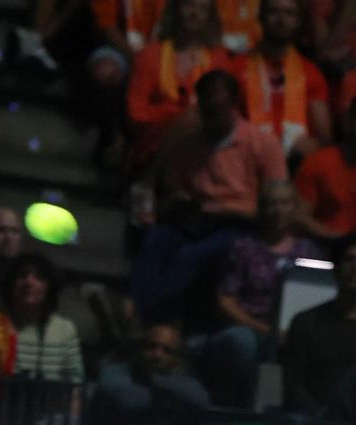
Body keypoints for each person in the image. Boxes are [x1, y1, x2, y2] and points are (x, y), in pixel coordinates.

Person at [130, 69, 287, 318]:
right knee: (156, 239)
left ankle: (151, 314)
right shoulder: (191, 142)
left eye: (219, 110)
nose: (212, 117)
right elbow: (177, 185)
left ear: (233, 105)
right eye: (207, 110)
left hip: (239, 222)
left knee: (190, 255)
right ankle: (135, 309)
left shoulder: (263, 143)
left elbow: (278, 196)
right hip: (197, 216)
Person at [198, 181, 319, 407]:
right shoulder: (243, 248)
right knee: (241, 342)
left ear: (295, 208)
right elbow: (226, 300)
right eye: (271, 204)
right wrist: (263, 329)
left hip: (295, 331)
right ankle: (239, 408)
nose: (277, 211)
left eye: (284, 203)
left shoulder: (308, 251)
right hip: (251, 327)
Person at [124, 0, 226, 168]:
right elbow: (136, 113)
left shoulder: (219, 60)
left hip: (205, 144)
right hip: (154, 140)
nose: (195, 13)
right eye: (189, 5)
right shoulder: (150, 55)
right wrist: (177, 117)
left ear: (210, 17)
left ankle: (149, 182)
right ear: (176, 9)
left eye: (203, 9)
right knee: (191, 119)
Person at [230, 0, 330, 161]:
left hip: (295, 159)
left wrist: (313, 145)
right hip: (248, 157)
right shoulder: (237, 67)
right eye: (274, 12)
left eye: (289, 13)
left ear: (298, 22)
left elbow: (324, 137)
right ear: (261, 17)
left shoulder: (310, 72)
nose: (281, 19)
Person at [0, 254, 85, 382]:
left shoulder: (65, 329)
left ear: (50, 288)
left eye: (39, 278)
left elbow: (75, 380)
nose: (29, 282)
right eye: (22, 276)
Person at [283, 241, 356, 413]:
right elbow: (293, 385)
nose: (355, 267)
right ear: (336, 268)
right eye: (349, 260)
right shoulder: (306, 322)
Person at [96, 323, 212, 410]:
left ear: (177, 359)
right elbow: (126, 399)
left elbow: (200, 400)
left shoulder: (177, 379)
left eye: (167, 351)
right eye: (151, 347)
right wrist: (167, 397)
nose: (157, 355)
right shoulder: (115, 370)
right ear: (139, 349)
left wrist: (159, 380)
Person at [295, 98, 356, 241]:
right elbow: (300, 216)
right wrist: (337, 239)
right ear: (348, 122)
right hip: (327, 246)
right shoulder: (317, 162)